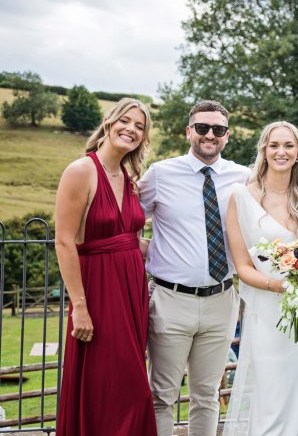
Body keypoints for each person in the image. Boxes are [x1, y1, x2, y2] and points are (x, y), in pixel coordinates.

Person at [139, 100, 250, 436]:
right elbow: (127, 222)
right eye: (202, 128)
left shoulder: (243, 178)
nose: (209, 135)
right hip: (171, 300)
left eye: (218, 129)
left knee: (207, 394)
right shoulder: (160, 174)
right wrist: (149, 250)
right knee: (162, 395)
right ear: (189, 131)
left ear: (227, 135)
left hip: (221, 299)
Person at [222, 121, 298, 435]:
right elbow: (243, 266)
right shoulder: (240, 197)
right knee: (271, 399)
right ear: (264, 150)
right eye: (274, 145)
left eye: (288, 145)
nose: (281, 152)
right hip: (269, 311)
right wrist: (279, 286)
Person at [54, 98, 156, 435]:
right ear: (108, 121)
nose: (131, 129)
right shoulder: (81, 171)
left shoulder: (129, 178)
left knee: (123, 389)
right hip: (99, 294)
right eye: (125, 121)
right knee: (117, 390)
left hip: (131, 294)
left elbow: (130, 240)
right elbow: (64, 242)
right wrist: (79, 307)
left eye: (139, 126)